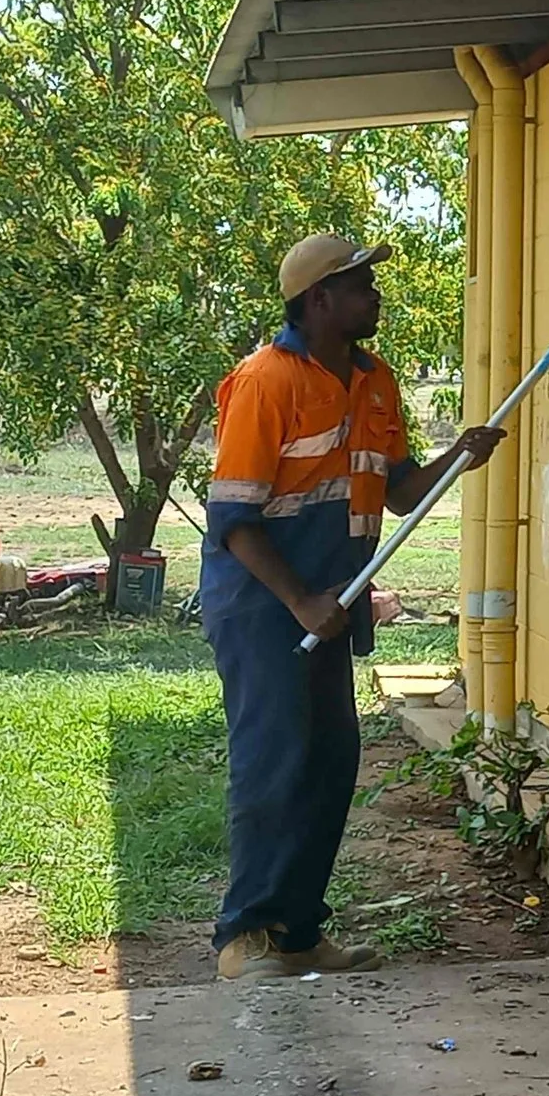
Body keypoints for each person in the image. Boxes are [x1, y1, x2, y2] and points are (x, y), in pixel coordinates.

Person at [202, 232, 504, 980]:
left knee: (330, 763)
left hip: (328, 604)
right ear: (318, 300)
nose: (376, 295)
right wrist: (300, 599)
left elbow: (399, 488)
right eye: (361, 283)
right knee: (273, 762)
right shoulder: (264, 381)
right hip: (265, 602)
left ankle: (299, 932)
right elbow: (233, 521)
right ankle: (246, 938)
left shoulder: (375, 380)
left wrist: (457, 457)